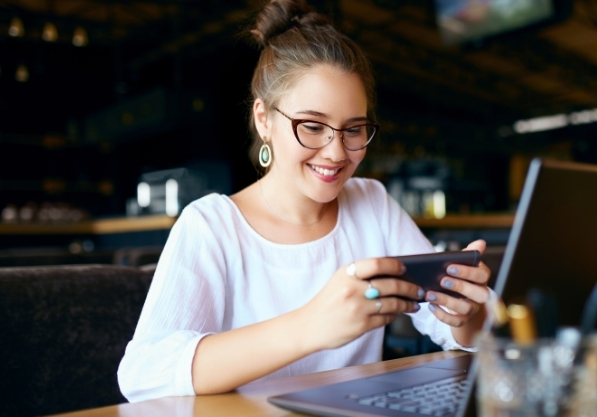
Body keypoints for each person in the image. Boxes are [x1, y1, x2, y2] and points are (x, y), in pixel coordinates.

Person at [117, 0, 491, 402]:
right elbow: (144, 374)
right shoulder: (211, 226)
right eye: (312, 126)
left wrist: (466, 313)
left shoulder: (372, 202)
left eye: (354, 129)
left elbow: (455, 330)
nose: (336, 152)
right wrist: (310, 326)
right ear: (264, 119)